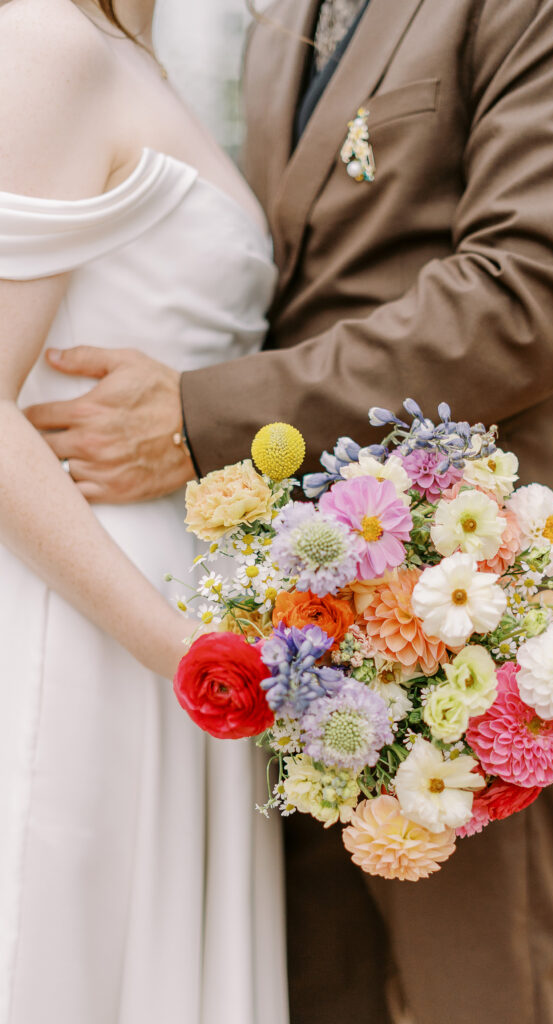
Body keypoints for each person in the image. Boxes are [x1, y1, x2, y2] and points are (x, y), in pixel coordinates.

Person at [22, 0, 553, 1022]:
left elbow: (528, 292)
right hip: (273, 625)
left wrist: (205, 416)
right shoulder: (281, 11)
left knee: (483, 1000)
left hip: (462, 635)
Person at [0, 0, 289, 1021]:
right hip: (91, 615)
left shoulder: (139, 52)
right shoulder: (46, 40)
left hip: (179, 605)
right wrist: (173, 648)